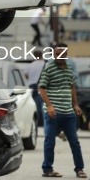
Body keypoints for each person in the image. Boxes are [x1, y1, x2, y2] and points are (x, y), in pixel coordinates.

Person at [38, 43, 85, 178]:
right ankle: (47, 169)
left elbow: (72, 87)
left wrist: (75, 105)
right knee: (49, 141)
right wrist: (50, 106)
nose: (59, 56)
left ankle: (79, 169)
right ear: (53, 54)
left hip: (68, 112)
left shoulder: (69, 68)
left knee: (74, 142)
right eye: (57, 54)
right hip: (53, 112)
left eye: (62, 54)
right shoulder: (49, 68)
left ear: (66, 54)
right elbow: (41, 88)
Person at [25, 48, 46, 126]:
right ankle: (47, 133)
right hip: (44, 91)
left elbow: (25, 75)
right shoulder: (46, 65)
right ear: (42, 55)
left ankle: (35, 134)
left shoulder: (30, 65)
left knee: (35, 115)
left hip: (33, 91)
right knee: (45, 115)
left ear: (34, 56)